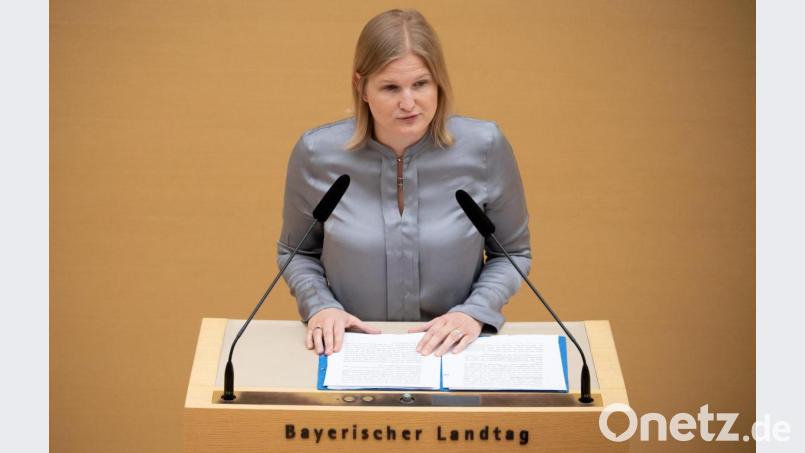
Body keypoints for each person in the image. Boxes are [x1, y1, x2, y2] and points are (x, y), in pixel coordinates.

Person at [277, 9, 531, 359]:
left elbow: (512, 253)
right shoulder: (317, 153)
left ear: (439, 81)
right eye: (390, 87)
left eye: (421, 84)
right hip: (349, 354)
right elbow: (297, 252)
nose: (408, 103)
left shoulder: (485, 148)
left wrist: (474, 311)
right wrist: (320, 306)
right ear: (361, 87)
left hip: (454, 354)